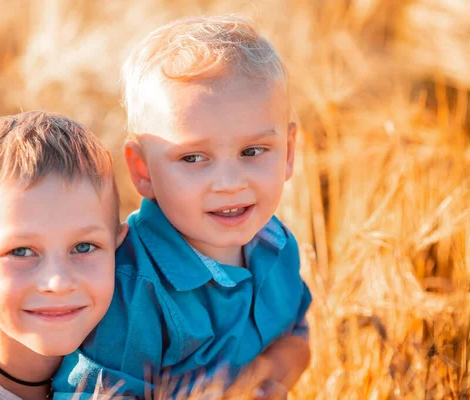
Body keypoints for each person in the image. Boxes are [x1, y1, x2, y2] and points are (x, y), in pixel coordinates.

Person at [53, 15, 312, 399]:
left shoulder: (277, 245)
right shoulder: (131, 291)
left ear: (288, 153)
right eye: (193, 158)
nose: (229, 183)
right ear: (143, 170)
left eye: (252, 151)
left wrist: (263, 376)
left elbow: (297, 341)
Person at [0, 110, 127, 399]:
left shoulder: (150, 331)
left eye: (84, 247)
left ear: (119, 248)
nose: (58, 282)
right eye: (21, 251)